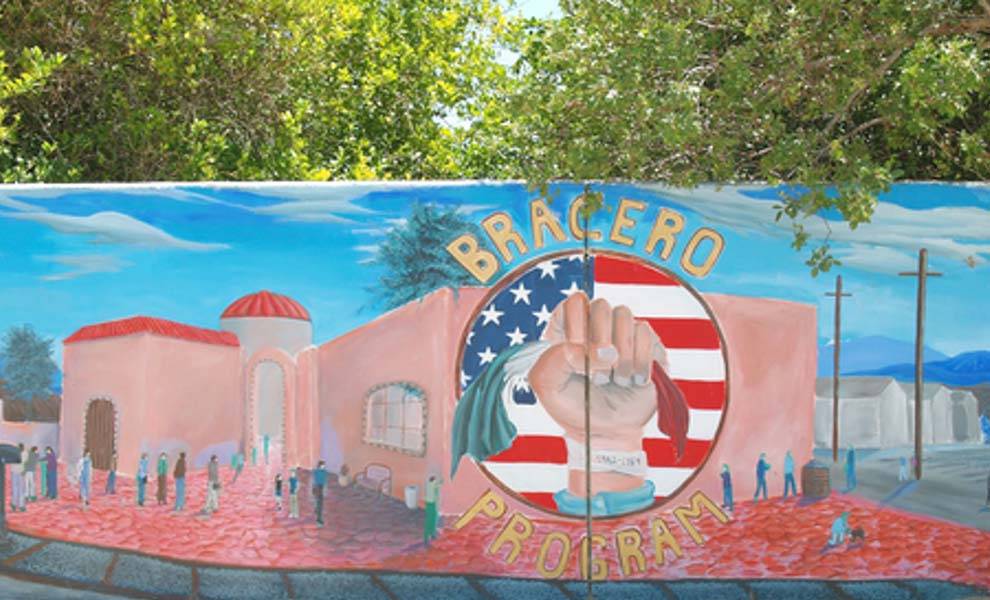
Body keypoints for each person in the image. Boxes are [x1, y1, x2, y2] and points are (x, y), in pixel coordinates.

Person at [424, 475, 442, 546]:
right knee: (432, 520)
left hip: (429, 503)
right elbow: (439, 484)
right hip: (432, 504)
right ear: (433, 480)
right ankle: (429, 537)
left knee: (431, 520)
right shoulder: (433, 485)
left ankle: (431, 535)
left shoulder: (429, 484)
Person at [312, 460, 328, 526]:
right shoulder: (316, 471)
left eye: (324, 465)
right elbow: (315, 480)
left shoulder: (324, 472)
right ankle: (319, 520)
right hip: (317, 487)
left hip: (321, 488)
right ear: (319, 465)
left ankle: (317, 513)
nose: (323, 466)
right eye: (322, 465)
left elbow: (325, 481)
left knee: (319, 502)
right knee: (320, 503)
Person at [10, 443, 25, 512]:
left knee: (15, 489)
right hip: (21, 472)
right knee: (21, 490)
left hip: (14, 472)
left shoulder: (13, 454)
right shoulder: (24, 454)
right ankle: (21, 506)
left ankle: (14, 504)